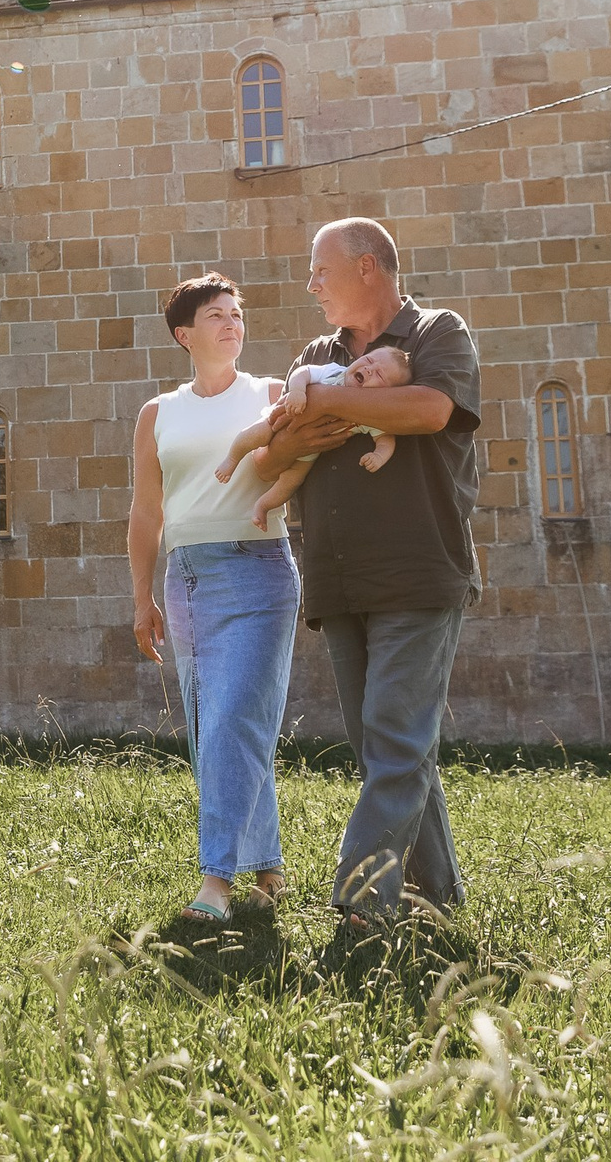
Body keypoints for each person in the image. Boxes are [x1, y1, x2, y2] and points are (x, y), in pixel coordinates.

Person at [248, 218, 482, 920]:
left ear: (369, 268)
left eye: (322, 270)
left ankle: (361, 902)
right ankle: (437, 898)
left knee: (394, 736)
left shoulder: (438, 333)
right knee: (390, 744)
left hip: (417, 568)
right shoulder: (318, 351)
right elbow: (274, 451)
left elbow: (429, 408)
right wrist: (308, 417)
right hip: (337, 574)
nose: (311, 284)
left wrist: (320, 401)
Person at [127, 272, 300, 923]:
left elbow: (299, 465)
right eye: (216, 315)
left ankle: (215, 882)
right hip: (188, 579)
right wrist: (142, 598)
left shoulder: (273, 394)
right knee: (216, 726)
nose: (232, 323)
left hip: (259, 572)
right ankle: (270, 871)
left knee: (234, 718)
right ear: (185, 334)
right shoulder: (158, 413)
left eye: (237, 313)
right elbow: (146, 513)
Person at [214, 344, 411, 529]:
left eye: (379, 374)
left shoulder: (368, 412)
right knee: (257, 433)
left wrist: (379, 456)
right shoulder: (335, 372)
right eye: (368, 360)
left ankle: (262, 506)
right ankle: (232, 458)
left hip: (310, 452)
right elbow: (304, 371)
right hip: (283, 418)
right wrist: (298, 390)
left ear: (385, 394)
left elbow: (385, 438)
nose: (369, 369)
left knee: (291, 481)